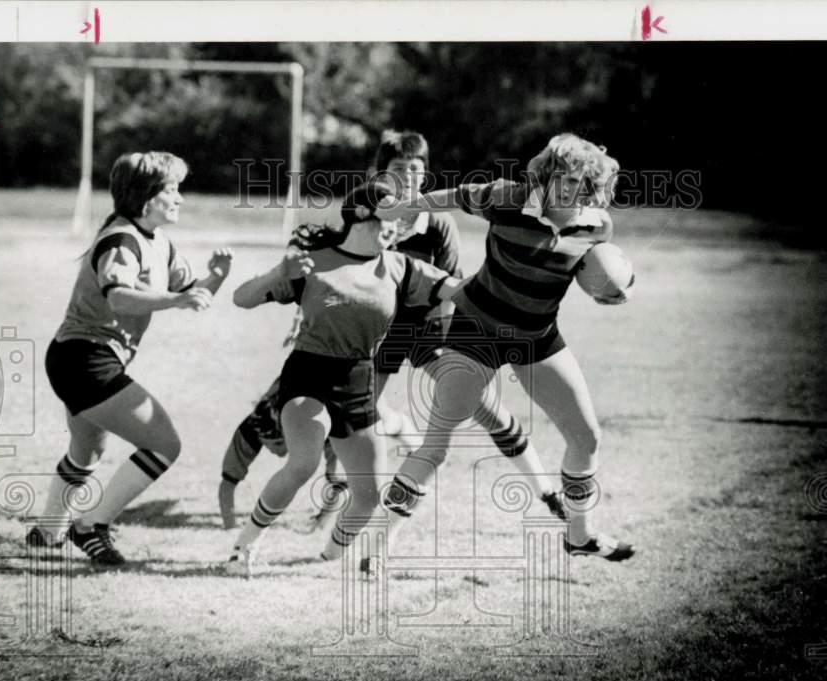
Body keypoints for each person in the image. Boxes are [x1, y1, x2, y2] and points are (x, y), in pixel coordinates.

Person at [215, 130, 565, 532]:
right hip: (372, 335)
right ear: (376, 174)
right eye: (398, 169)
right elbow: (318, 270)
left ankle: (544, 490)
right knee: (346, 422)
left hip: (423, 327)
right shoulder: (359, 215)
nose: (409, 177)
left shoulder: (437, 225)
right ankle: (333, 502)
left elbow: (451, 287)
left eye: (417, 170)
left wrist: (462, 346)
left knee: (481, 404)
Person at [374, 133, 635, 565]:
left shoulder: (597, 227)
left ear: (591, 185)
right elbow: (455, 196)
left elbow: (598, 275)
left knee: (586, 436)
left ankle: (580, 535)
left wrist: (613, 288)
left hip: (536, 336)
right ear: (545, 175)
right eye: (560, 177)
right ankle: (376, 547)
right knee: (436, 446)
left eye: (579, 181)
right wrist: (406, 207)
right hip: (476, 329)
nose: (567, 187)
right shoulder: (506, 198)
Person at [224, 181, 464, 577]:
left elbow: (458, 289)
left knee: (368, 497)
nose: (403, 221)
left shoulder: (401, 267)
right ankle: (244, 548)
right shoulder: (312, 262)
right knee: (303, 463)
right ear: (365, 214)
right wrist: (276, 273)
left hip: (358, 381)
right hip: (308, 375)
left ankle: (328, 557)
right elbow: (241, 297)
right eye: (394, 211)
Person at [29, 151, 234, 566]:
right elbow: (120, 296)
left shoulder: (158, 242)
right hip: (83, 360)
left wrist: (217, 277)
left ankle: (48, 532)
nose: (180, 199)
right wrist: (177, 299)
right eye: (172, 190)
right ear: (146, 198)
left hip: (81, 358)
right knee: (164, 444)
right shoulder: (121, 239)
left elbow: (191, 291)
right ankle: (90, 527)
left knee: (86, 450)